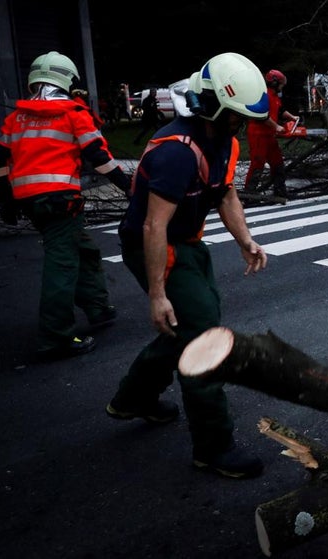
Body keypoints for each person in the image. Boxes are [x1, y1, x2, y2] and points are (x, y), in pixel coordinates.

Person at [107, 52, 270, 479]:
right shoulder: (176, 151)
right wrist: (157, 294)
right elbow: (152, 226)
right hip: (156, 244)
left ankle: (133, 398)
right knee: (202, 339)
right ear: (213, 106)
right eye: (236, 118)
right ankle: (214, 448)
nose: (242, 127)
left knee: (189, 325)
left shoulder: (224, 142)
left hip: (188, 242)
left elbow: (225, 194)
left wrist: (246, 240)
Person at [0, 51, 131, 358]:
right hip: (61, 200)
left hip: (32, 202)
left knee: (83, 248)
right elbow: (98, 157)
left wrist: (6, 199)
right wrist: (128, 187)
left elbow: (1, 161)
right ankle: (56, 336)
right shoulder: (73, 112)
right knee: (63, 263)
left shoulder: (15, 119)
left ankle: (98, 308)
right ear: (68, 80)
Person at [243, 69, 298, 198]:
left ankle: (280, 191)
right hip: (258, 134)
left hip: (269, 135)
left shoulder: (274, 96)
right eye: (280, 84)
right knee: (258, 163)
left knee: (277, 162)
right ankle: (249, 194)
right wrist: (277, 126)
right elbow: (262, 115)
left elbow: (280, 110)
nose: (281, 87)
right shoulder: (264, 95)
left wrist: (292, 117)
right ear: (274, 83)